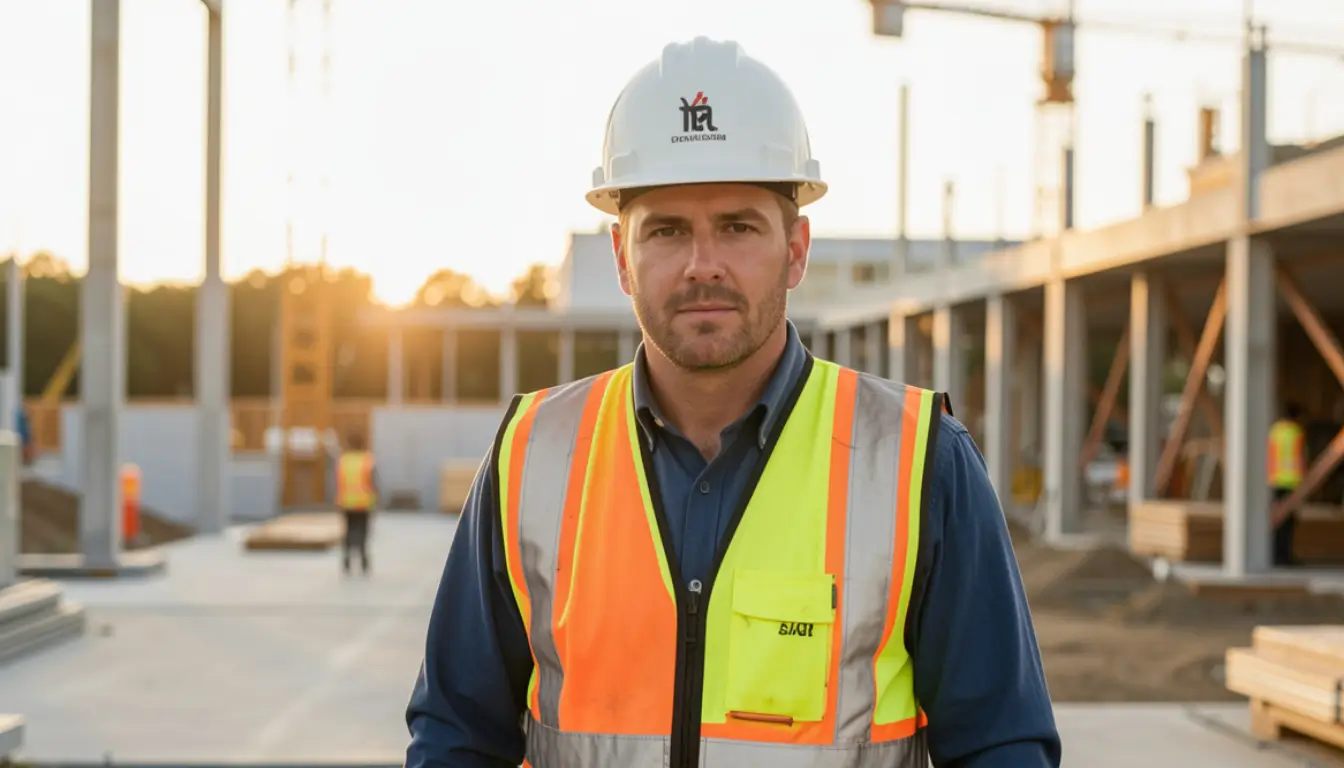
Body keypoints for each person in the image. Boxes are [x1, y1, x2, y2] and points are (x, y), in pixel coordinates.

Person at [405, 37, 1061, 768]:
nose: (703, 264)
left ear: (796, 249)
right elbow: (455, 735)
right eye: (667, 230)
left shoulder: (918, 462)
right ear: (623, 258)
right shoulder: (532, 455)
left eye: (739, 226)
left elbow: (1001, 747)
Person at [1268, 402, 1307, 566]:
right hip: (1290, 481)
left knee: (1275, 520)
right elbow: (1300, 457)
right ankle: (1285, 556)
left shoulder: (1275, 430)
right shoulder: (1295, 432)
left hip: (1273, 480)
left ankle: (1274, 555)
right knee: (1288, 523)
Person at [335, 432, 377, 576]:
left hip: (346, 502)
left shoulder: (343, 460)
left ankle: (346, 561)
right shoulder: (367, 460)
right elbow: (374, 482)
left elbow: (338, 482)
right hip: (364, 503)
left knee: (348, 532)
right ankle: (364, 561)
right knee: (363, 533)